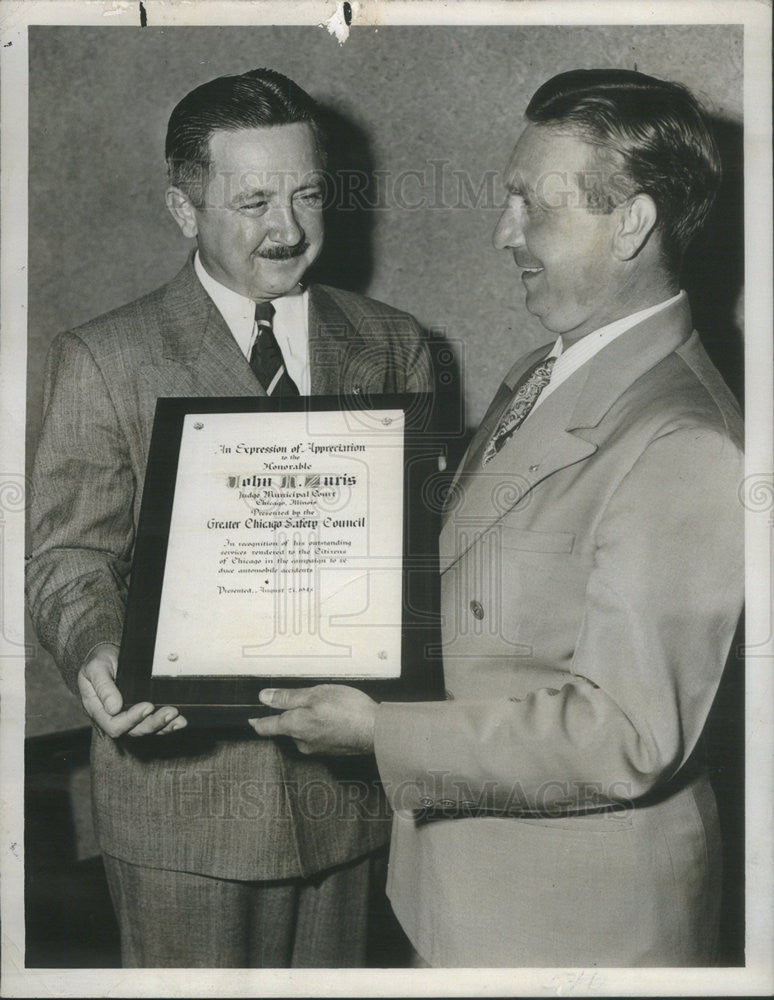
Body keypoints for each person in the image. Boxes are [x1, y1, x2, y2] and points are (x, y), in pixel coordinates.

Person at [250, 68, 744, 966]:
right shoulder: (541, 370)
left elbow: (623, 733)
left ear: (631, 221)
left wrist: (380, 732)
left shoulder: (687, 441)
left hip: (575, 927)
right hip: (457, 893)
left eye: (531, 206)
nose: (501, 233)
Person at [26, 67, 431, 968]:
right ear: (184, 209)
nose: (287, 229)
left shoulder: (393, 342)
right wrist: (96, 647)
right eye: (252, 201)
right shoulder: (106, 357)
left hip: (347, 802)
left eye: (308, 195)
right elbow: (66, 558)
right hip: (182, 811)